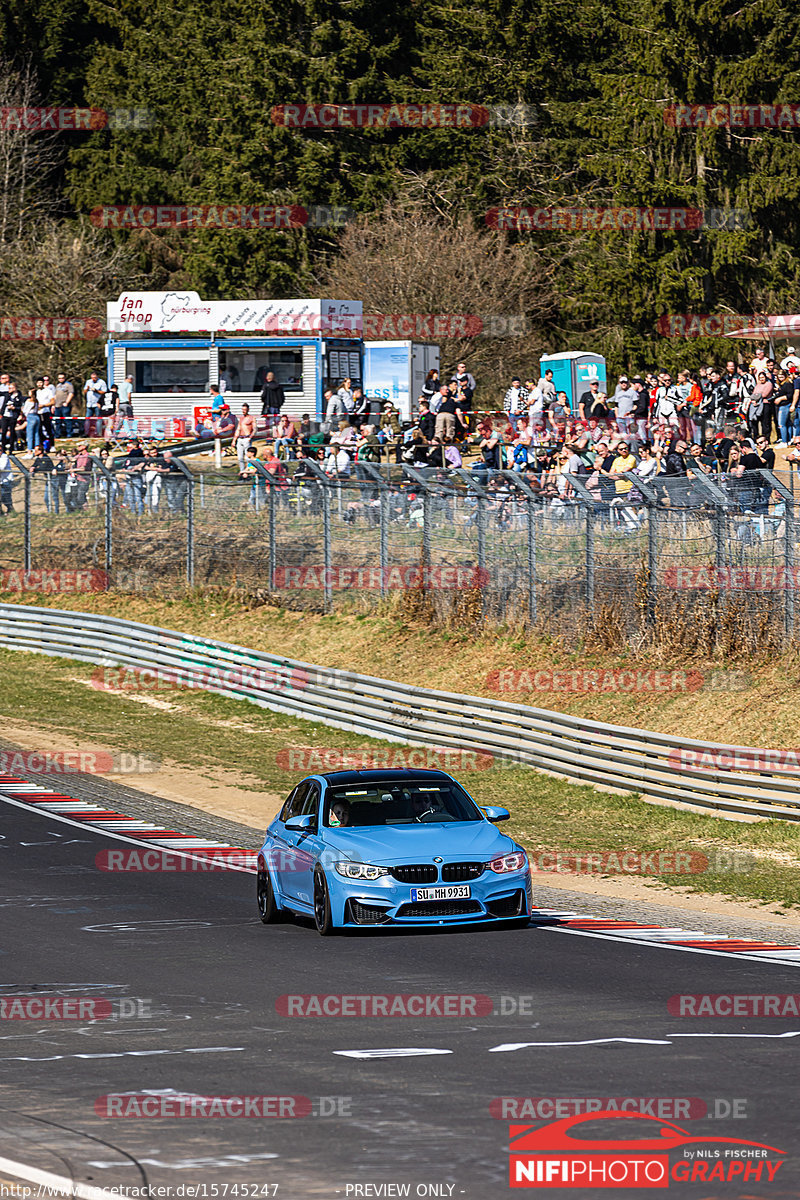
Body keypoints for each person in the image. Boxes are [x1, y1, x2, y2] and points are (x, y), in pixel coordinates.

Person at [233, 403, 257, 470]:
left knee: (247, 457)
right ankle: (242, 471)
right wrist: (234, 440)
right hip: (240, 438)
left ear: (248, 410)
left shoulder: (251, 418)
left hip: (247, 438)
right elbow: (238, 429)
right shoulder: (241, 419)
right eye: (242, 410)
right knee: (240, 457)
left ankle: (248, 470)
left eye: (245, 410)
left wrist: (250, 437)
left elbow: (255, 429)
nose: (243, 411)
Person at [83, 370, 107, 435]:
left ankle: (98, 433)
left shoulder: (101, 382)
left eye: (95, 377)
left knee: (98, 419)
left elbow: (104, 392)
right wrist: (87, 389)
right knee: (87, 418)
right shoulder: (88, 382)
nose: (93, 379)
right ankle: (86, 433)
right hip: (89, 404)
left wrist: (96, 391)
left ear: (97, 377)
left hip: (97, 403)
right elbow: (84, 391)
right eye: (92, 377)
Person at [53, 372, 75, 439]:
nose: (61, 379)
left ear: (65, 378)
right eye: (59, 378)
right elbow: (55, 395)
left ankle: (69, 434)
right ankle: (58, 434)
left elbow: (71, 394)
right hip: (57, 405)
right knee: (57, 421)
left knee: (67, 420)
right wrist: (53, 404)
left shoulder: (68, 385)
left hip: (65, 405)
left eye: (62, 378)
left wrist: (67, 402)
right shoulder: (58, 385)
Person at [0, 449, 14, 514]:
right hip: (1, 480)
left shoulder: (4, 456)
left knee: (5, 496)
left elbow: (2, 467)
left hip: (6, 479)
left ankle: (10, 509)